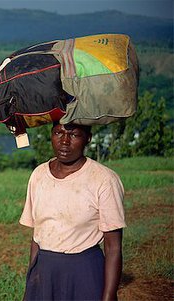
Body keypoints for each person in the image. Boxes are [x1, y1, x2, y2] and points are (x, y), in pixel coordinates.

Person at [20, 122, 126, 301]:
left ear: (88, 139)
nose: (64, 141)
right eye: (58, 133)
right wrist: (33, 279)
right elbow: (37, 235)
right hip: (45, 268)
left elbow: (113, 246)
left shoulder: (104, 180)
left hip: (84, 270)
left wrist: (108, 295)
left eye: (74, 135)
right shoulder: (39, 175)